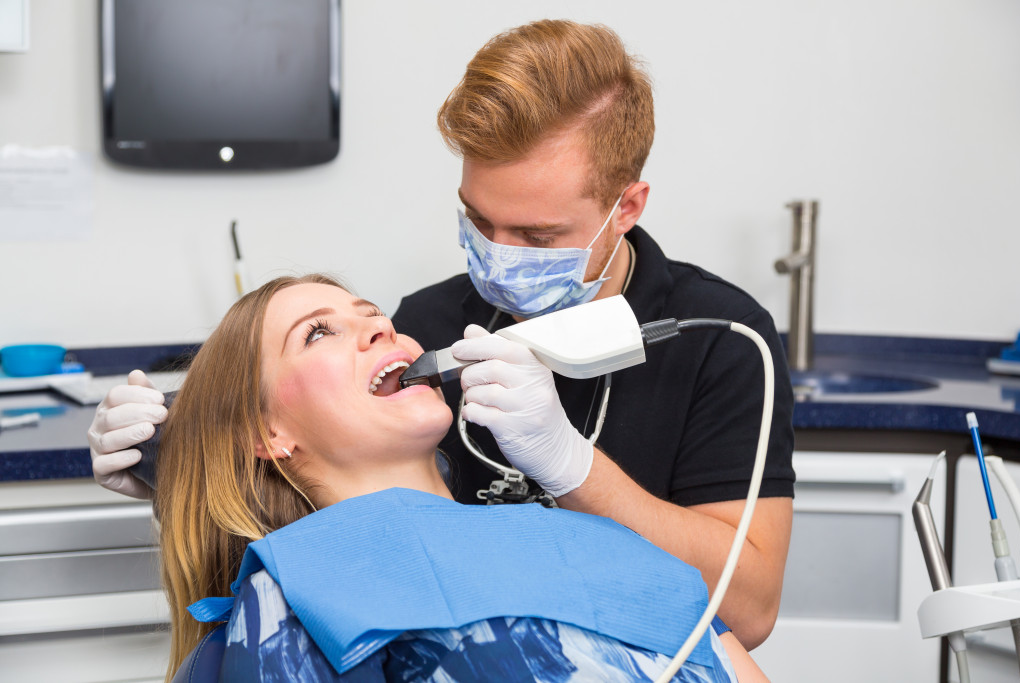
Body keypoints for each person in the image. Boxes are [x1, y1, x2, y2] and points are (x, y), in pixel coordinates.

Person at [89, 20, 794, 649]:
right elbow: (321, 485)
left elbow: (749, 610)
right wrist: (177, 463)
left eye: (537, 235)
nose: (499, 252)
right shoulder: (425, 325)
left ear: (626, 206)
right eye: (478, 220)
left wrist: (573, 467)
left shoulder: (722, 339)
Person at [155, 273, 769, 682]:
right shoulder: (298, 588)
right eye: (318, 333)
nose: (382, 327)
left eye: (373, 316)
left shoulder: (611, 542)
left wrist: (570, 460)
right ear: (266, 435)